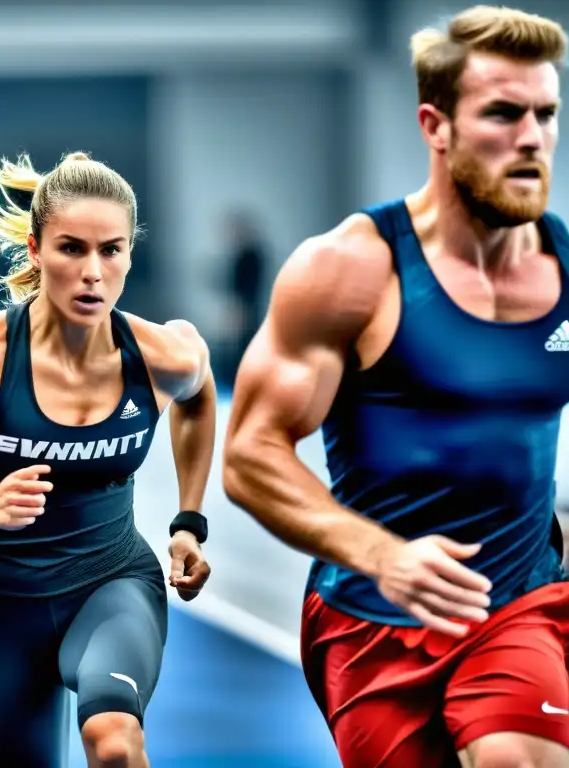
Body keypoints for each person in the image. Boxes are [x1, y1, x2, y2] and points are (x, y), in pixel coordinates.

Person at [222, 6, 569, 767]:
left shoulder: (565, 268)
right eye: (504, 114)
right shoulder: (350, 270)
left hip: (521, 602)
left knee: (519, 757)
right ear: (435, 124)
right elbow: (250, 454)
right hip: (371, 617)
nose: (533, 138)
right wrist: (382, 555)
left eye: (546, 113)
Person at [0, 151, 216, 767]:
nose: (93, 272)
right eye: (71, 249)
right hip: (3, 606)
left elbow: (199, 398)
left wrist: (189, 524)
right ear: (35, 250)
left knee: (114, 742)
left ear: (129, 257)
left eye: (111, 250)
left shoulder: (162, 355)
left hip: (113, 581)